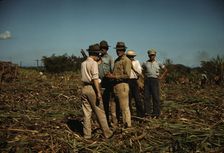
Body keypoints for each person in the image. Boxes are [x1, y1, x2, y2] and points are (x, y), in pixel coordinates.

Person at [81, 43, 113, 139]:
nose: (99, 56)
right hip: (92, 89)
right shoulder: (93, 63)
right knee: (100, 112)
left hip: (84, 89)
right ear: (95, 54)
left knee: (86, 113)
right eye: (98, 54)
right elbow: (95, 79)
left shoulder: (83, 63)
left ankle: (87, 135)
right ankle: (107, 133)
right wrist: (98, 93)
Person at [106, 42, 132, 128]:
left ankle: (127, 126)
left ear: (124, 50)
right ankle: (114, 125)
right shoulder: (117, 60)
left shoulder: (127, 60)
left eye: (120, 50)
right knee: (113, 107)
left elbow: (127, 75)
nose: (118, 51)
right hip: (114, 86)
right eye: (117, 50)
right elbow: (115, 73)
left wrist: (114, 76)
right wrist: (110, 75)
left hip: (122, 85)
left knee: (124, 108)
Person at [142, 48, 167, 118]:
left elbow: (166, 70)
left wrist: (161, 77)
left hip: (155, 80)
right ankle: (148, 113)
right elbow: (141, 70)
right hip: (147, 81)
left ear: (155, 55)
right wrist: (144, 76)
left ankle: (156, 113)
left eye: (153, 55)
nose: (151, 56)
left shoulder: (158, 63)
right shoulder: (145, 63)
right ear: (148, 55)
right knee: (146, 97)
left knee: (155, 97)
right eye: (150, 55)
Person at [98, 40, 114, 123]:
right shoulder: (97, 58)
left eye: (104, 48)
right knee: (99, 103)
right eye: (101, 48)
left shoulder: (110, 58)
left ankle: (107, 120)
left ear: (107, 49)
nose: (103, 49)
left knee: (106, 102)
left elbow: (112, 70)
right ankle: (100, 121)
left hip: (107, 82)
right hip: (98, 82)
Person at [126, 50, 144, 117]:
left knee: (138, 99)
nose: (131, 58)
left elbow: (139, 72)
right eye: (129, 56)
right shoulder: (125, 62)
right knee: (129, 99)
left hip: (134, 81)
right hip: (127, 81)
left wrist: (139, 82)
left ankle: (141, 114)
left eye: (131, 56)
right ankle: (130, 115)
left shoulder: (136, 62)